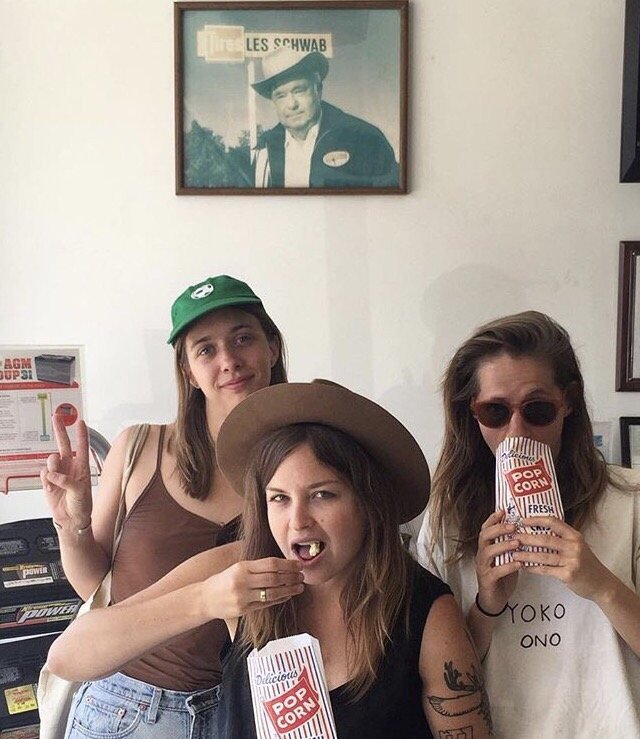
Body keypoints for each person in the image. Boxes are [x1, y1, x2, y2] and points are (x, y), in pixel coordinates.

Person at [46, 381, 494, 739]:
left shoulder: (424, 610)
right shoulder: (238, 569)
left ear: (367, 502)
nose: (298, 521)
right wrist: (204, 600)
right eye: (279, 498)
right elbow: (68, 657)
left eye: (323, 495)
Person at [417, 311, 640, 739]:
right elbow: (440, 686)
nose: (516, 431)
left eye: (537, 409)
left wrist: (601, 585)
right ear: (472, 412)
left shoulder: (636, 498)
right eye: (495, 411)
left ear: (567, 402)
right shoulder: (448, 514)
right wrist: (487, 604)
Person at [40, 274, 287, 738]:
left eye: (243, 338)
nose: (229, 360)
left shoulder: (303, 459)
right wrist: (71, 527)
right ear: (188, 371)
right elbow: (97, 587)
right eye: (206, 349)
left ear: (271, 347)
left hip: (251, 710)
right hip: (129, 709)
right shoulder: (140, 448)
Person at [251, 48, 400, 188]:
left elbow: (390, 200)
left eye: (299, 91)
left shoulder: (363, 139)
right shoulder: (264, 149)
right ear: (273, 102)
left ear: (318, 89)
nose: (292, 104)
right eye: (281, 96)